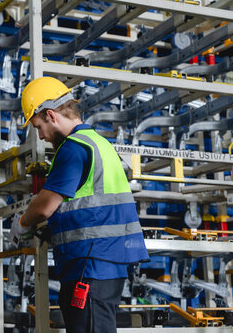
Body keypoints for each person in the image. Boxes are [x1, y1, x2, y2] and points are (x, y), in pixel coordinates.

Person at [9, 76, 149, 333]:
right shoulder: (100, 144)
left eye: (38, 127)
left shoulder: (73, 148)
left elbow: (45, 206)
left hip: (91, 264)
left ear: (51, 115)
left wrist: (21, 223)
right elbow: (90, 204)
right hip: (105, 262)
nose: (40, 137)